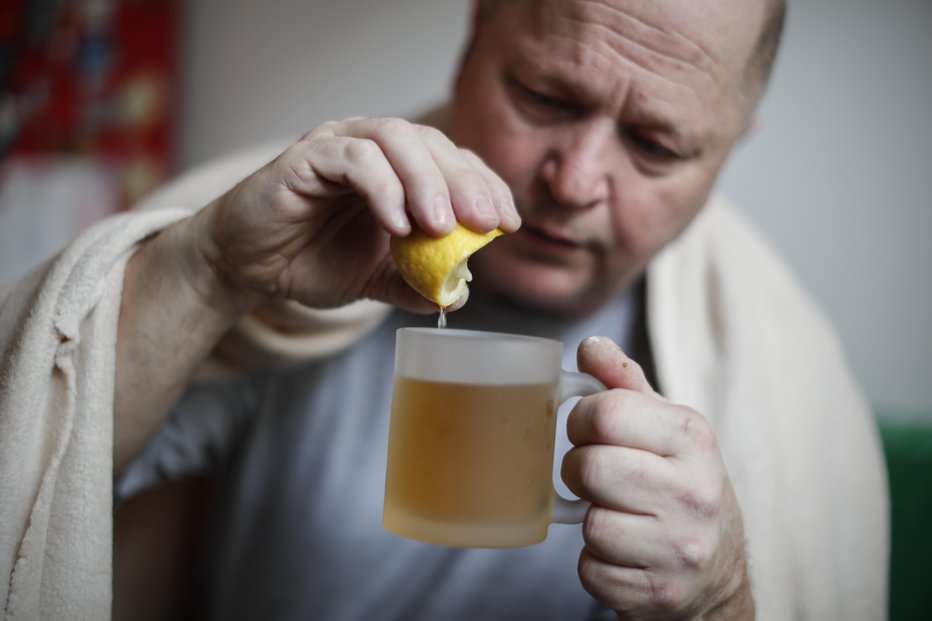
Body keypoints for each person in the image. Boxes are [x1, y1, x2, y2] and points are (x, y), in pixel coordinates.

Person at [0, 0, 888, 619]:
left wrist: (721, 602)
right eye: (544, 96)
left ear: (732, 141)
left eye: (655, 144)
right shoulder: (286, 232)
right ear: (473, 36)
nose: (574, 182)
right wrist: (206, 272)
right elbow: (34, 487)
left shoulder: (786, 375)